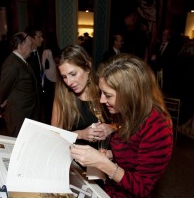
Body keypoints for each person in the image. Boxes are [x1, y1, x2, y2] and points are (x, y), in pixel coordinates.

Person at [70, 53, 173, 197]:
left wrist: (102, 163)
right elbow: (132, 152)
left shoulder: (157, 126)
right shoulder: (129, 112)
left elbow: (143, 187)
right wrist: (111, 155)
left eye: (108, 95)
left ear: (129, 94)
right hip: (111, 190)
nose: (101, 100)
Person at [51, 44, 114, 147]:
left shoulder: (104, 91)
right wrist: (80, 134)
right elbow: (54, 135)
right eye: (64, 77)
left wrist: (110, 128)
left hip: (103, 156)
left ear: (88, 67)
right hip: (75, 159)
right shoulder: (62, 97)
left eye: (73, 74)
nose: (69, 82)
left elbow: (125, 125)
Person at [0, 32, 41, 137]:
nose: (32, 48)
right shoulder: (12, 65)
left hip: (27, 114)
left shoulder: (21, 61)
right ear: (20, 45)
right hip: (19, 118)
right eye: (30, 45)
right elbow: (0, 91)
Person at [41, 32, 60, 124]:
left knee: (48, 102)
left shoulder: (46, 51)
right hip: (57, 79)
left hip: (48, 78)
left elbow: (44, 66)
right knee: (54, 101)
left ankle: (49, 121)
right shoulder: (57, 50)